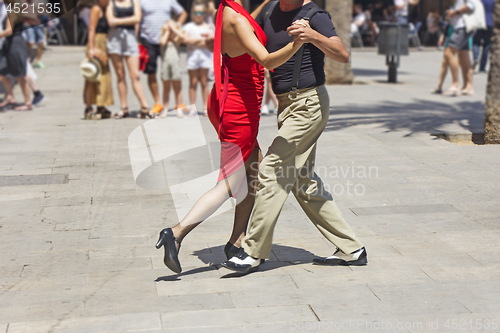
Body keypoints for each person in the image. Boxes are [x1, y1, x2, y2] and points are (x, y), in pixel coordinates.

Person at [155, 0, 305, 274]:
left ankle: (236, 242)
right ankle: (175, 234)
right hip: (238, 108)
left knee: (253, 176)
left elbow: (248, 22)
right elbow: (267, 60)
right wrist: (298, 42)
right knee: (229, 183)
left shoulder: (229, 10)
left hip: (229, 98)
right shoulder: (234, 18)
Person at [222, 0, 366, 275]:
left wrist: (313, 36)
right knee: (304, 183)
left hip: (309, 105)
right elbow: (244, 27)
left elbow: (343, 55)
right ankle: (351, 248)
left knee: (271, 169)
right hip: (286, 106)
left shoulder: (315, 15)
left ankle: (252, 252)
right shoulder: (269, 11)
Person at [139, 0, 187, 117]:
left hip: (167, 42)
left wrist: (175, 27)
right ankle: (158, 103)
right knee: (152, 72)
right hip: (148, 39)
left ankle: (178, 103)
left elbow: (183, 13)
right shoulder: (141, 1)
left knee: (174, 74)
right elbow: (137, 18)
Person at [106, 0, 151, 118]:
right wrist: (127, 20)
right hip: (114, 39)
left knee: (135, 75)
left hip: (130, 39)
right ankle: (124, 107)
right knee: (120, 75)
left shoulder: (134, 1)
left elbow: (137, 18)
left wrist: (118, 21)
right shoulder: (111, 2)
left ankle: (144, 106)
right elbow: (110, 21)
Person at [182, 1, 214, 117]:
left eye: (201, 12)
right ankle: (192, 107)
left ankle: (205, 106)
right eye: (196, 12)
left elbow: (210, 42)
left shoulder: (208, 27)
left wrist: (195, 41)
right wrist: (202, 41)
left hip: (204, 57)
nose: (198, 15)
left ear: (204, 14)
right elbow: (185, 41)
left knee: (204, 82)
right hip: (192, 58)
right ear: (192, 13)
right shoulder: (188, 26)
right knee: (193, 82)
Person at [84, 0, 113, 120]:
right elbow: (91, 29)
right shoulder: (96, 9)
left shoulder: (108, 9)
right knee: (92, 77)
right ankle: (88, 107)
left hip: (104, 43)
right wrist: (92, 48)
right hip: (96, 42)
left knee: (104, 77)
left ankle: (101, 106)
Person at [0, 0, 32, 111]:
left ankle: (28, 102)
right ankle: (10, 97)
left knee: (20, 75)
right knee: (3, 72)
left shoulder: (12, 11)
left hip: (15, 44)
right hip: (10, 44)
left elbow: (9, 31)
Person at [442, 0, 475, 96]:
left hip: (462, 26)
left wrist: (455, 12)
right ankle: (468, 87)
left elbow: (470, 5)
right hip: (461, 26)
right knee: (463, 56)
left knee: (449, 52)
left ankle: (455, 84)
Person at [159, 19, 186, 117]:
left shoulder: (177, 39)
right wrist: (167, 31)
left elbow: (183, 37)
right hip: (165, 67)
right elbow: (162, 42)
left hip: (176, 67)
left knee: (177, 88)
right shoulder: (164, 39)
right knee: (166, 88)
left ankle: (179, 108)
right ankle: (165, 108)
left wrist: (174, 29)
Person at [431, 23, 454, 95]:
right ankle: (439, 86)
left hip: (461, 32)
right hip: (450, 32)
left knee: (461, 61)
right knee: (445, 62)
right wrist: (443, 35)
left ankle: (459, 85)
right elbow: (448, 22)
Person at [22, 0, 46, 69]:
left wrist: (42, 11)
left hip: (37, 23)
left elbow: (42, 11)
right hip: (28, 24)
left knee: (41, 42)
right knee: (31, 42)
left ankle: (38, 61)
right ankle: (24, 59)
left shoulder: (38, 1)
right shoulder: (22, 2)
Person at [472, 0, 494, 73]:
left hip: (479, 22)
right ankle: (482, 67)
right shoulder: (493, 1)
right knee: (487, 45)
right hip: (490, 23)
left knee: (476, 43)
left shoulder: (479, 1)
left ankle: (476, 58)